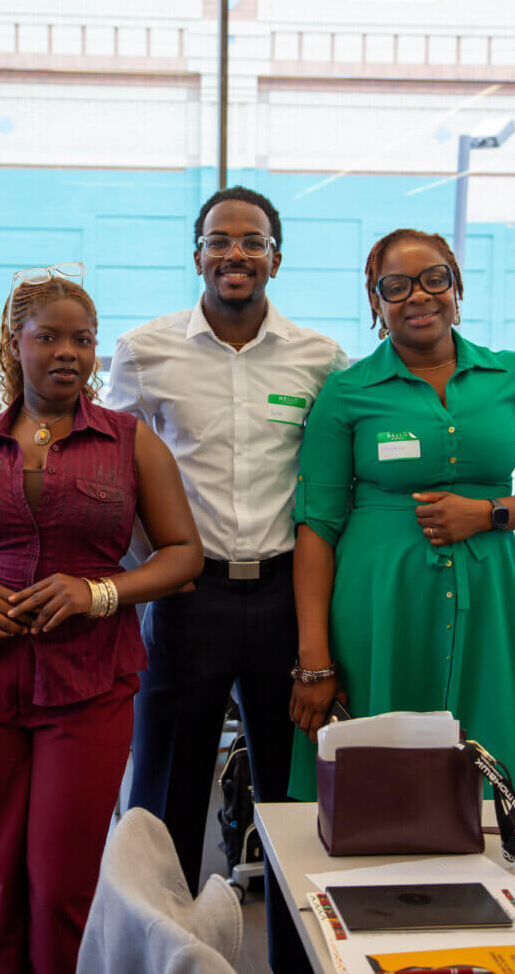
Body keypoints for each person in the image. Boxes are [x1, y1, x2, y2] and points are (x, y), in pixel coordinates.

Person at [0, 268, 202, 974]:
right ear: (16, 343)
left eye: (84, 339)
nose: (68, 352)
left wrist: (97, 592)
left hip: (88, 685)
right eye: (49, 337)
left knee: (61, 883)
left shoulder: (129, 442)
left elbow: (185, 555)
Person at [107, 186, 347, 972]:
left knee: (293, 807)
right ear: (197, 251)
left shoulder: (320, 357)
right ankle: (161, 956)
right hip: (187, 600)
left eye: (252, 240)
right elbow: (119, 473)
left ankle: (297, 960)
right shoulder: (146, 350)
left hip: (286, 601)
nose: (235, 254)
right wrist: (153, 566)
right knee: (164, 804)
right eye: (220, 239)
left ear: (277, 254)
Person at [288, 228, 515, 801]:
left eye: (434, 279)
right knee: (380, 774)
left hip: (489, 599)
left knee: (497, 747)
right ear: (375, 302)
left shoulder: (510, 376)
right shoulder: (347, 392)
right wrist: (314, 659)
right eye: (395, 286)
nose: (418, 296)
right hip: (380, 604)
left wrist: (489, 513)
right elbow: (316, 528)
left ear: (457, 287)